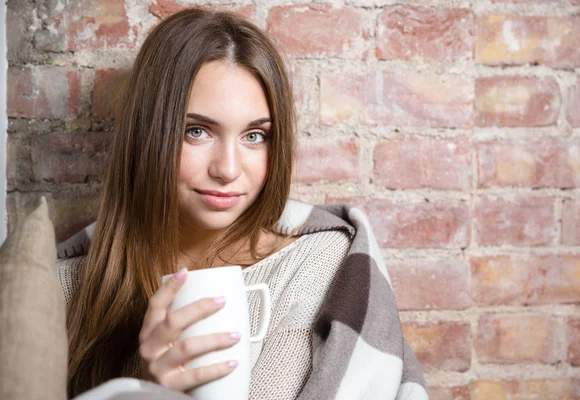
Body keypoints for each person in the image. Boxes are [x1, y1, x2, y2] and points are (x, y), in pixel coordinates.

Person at [56, 7, 428, 400]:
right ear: (149, 135)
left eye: (254, 136)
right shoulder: (68, 287)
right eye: (196, 131)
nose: (228, 169)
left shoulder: (318, 264)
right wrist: (149, 392)